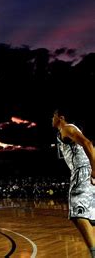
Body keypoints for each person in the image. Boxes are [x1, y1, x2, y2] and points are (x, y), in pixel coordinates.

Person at [53, 108, 95, 257]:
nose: (52, 118)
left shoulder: (66, 128)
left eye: (54, 115)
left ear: (61, 117)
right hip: (86, 169)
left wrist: (94, 170)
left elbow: (88, 144)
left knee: (78, 213)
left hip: (82, 171)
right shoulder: (69, 130)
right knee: (89, 217)